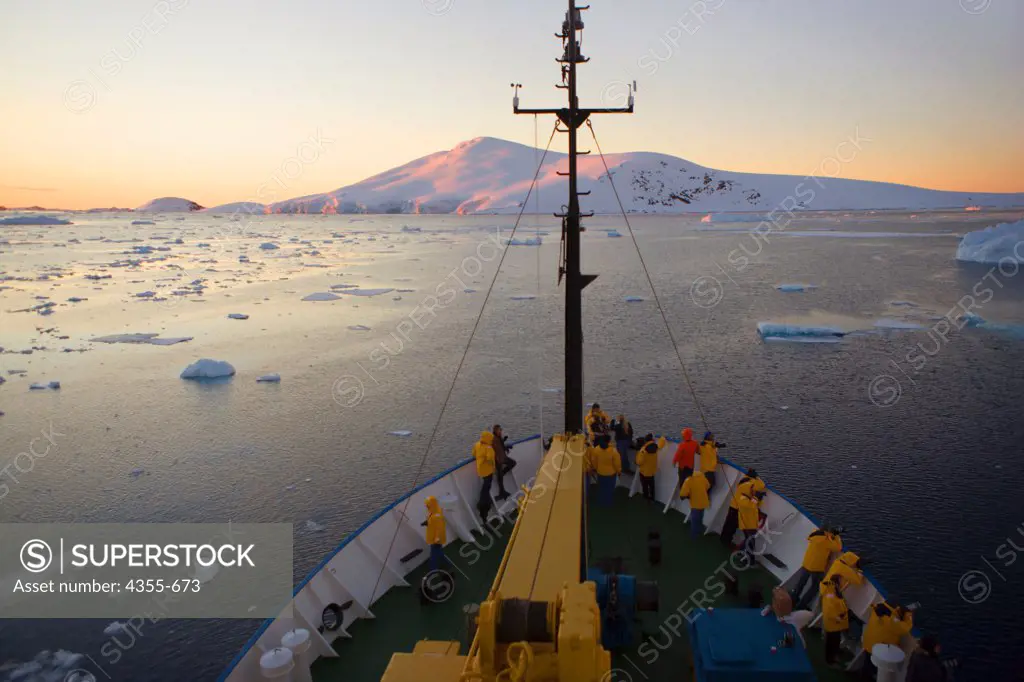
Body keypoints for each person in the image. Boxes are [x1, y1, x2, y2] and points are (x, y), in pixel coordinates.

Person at [791, 527, 843, 609]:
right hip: (817, 569)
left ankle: (793, 600)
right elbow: (838, 548)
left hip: (806, 564)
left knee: (800, 584)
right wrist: (837, 537)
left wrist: (827, 533)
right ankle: (801, 605)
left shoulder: (814, 534)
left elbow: (811, 534)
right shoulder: (828, 542)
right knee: (814, 588)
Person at [861, 601, 915, 679]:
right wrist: (908, 616)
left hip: (869, 642)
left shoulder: (878, 608)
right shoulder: (892, 620)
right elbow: (904, 628)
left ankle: (864, 676)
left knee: (867, 663)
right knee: (874, 666)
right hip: (879, 647)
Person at [719, 468, 765, 546]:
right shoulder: (752, 484)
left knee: (729, 525)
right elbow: (762, 485)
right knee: (734, 526)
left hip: (733, 505)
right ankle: (726, 541)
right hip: (739, 508)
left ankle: (724, 540)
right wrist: (757, 477)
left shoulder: (744, 479)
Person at [820, 576, 849, 667]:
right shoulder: (830, 594)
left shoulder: (833, 590)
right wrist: (838, 618)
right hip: (833, 622)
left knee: (836, 639)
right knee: (831, 641)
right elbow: (829, 610)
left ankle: (835, 653)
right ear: (836, 583)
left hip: (836, 622)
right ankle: (829, 661)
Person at [587, 433, 621, 506]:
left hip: (600, 472)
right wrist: (619, 471)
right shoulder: (613, 451)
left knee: (601, 488)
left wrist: (596, 468)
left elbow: (594, 461)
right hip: (611, 474)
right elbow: (617, 464)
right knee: (610, 489)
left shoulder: (596, 449)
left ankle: (601, 502)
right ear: (609, 441)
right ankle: (608, 502)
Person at [472, 430, 496, 520]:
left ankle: (485, 503)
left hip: (480, 471)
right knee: (487, 487)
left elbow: (473, 454)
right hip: (488, 471)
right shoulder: (488, 448)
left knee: (486, 487)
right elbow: (490, 458)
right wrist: (492, 465)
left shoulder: (477, 445)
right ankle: (483, 506)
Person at [680, 469, 711, 538]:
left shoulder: (688, 480)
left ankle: (694, 535)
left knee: (694, 519)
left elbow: (683, 494)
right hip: (704, 502)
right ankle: (700, 530)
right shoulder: (702, 476)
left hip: (695, 503)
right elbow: (708, 486)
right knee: (700, 517)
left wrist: (685, 496)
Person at [635, 435, 666, 502]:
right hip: (652, 471)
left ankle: (646, 497)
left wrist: (637, 454)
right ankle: (652, 497)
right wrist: (663, 438)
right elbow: (661, 444)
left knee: (645, 486)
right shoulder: (656, 447)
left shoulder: (643, 450)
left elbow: (639, 462)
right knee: (652, 485)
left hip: (644, 472)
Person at [491, 424, 517, 501]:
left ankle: (502, 473)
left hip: (502, 457)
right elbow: (497, 449)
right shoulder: (494, 439)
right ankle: (501, 493)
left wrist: (505, 445)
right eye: (500, 430)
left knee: (513, 463)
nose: (501, 431)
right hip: (498, 459)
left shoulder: (498, 437)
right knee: (500, 475)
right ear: (496, 430)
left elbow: (501, 445)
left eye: (501, 430)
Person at [736, 489, 761, 561]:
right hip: (747, 525)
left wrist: (759, 499)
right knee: (750, 543)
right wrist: (756, 497)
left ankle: (740, 553)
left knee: (749, 541)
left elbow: (755, 505)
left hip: (751, 525)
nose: (753, 492)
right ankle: (748, 560)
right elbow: (751, 505)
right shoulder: (743, 499)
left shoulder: (748, 499)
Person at [424, 496, 447, 571]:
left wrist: (437, 538)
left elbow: (439, 527)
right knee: (439, 553)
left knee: (434, 556)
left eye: (428, 505)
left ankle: (433, 570)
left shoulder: (436, 515)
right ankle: (446, 564)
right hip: (434, 537)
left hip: (436, 539)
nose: (427, 506)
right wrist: (427, 523)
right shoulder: (434, 511)